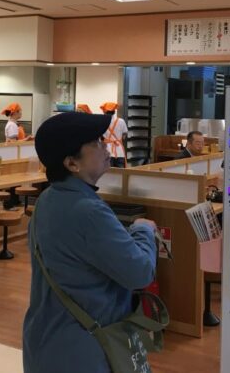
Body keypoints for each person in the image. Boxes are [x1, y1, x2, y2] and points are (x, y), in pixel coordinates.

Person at [23, 112, 158, 373]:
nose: (106, 146)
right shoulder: (88, 211)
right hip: (84, 349)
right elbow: (140, 273)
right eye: (96, 142)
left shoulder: (48, 200)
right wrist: (143, 232)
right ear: (72, 163)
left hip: (46, 341)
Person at [100, 102, 128, 168]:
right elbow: (124, 135)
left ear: (104, 112)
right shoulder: (121, 121)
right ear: (114, 111)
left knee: (110, 173)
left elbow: (100, 137)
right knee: (120, 173)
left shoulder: (102, 122)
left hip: (107, 151)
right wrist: (118, 140)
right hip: (120, 151)